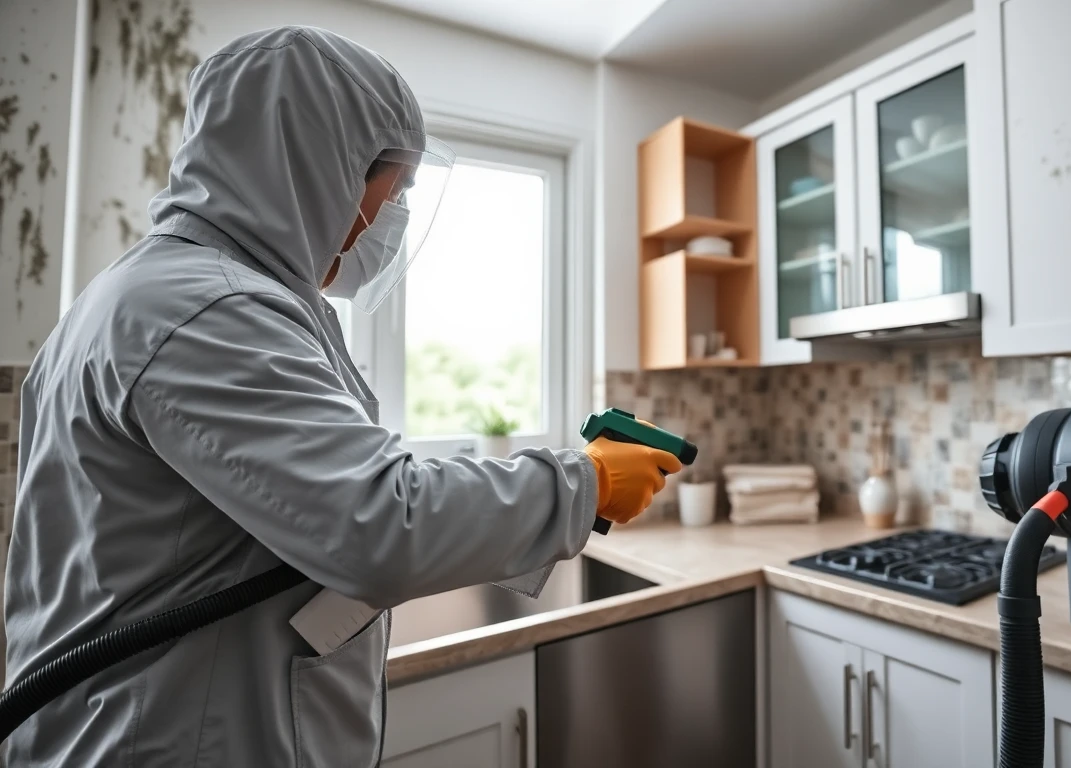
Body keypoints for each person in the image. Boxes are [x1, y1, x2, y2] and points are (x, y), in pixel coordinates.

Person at [4, 25, 680, 766]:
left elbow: (324, 509)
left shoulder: (184, 293)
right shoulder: (202, 309)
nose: (396, 216)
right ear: (318, 166)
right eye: (398, 187)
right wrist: (587, 482)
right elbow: (379, 523)